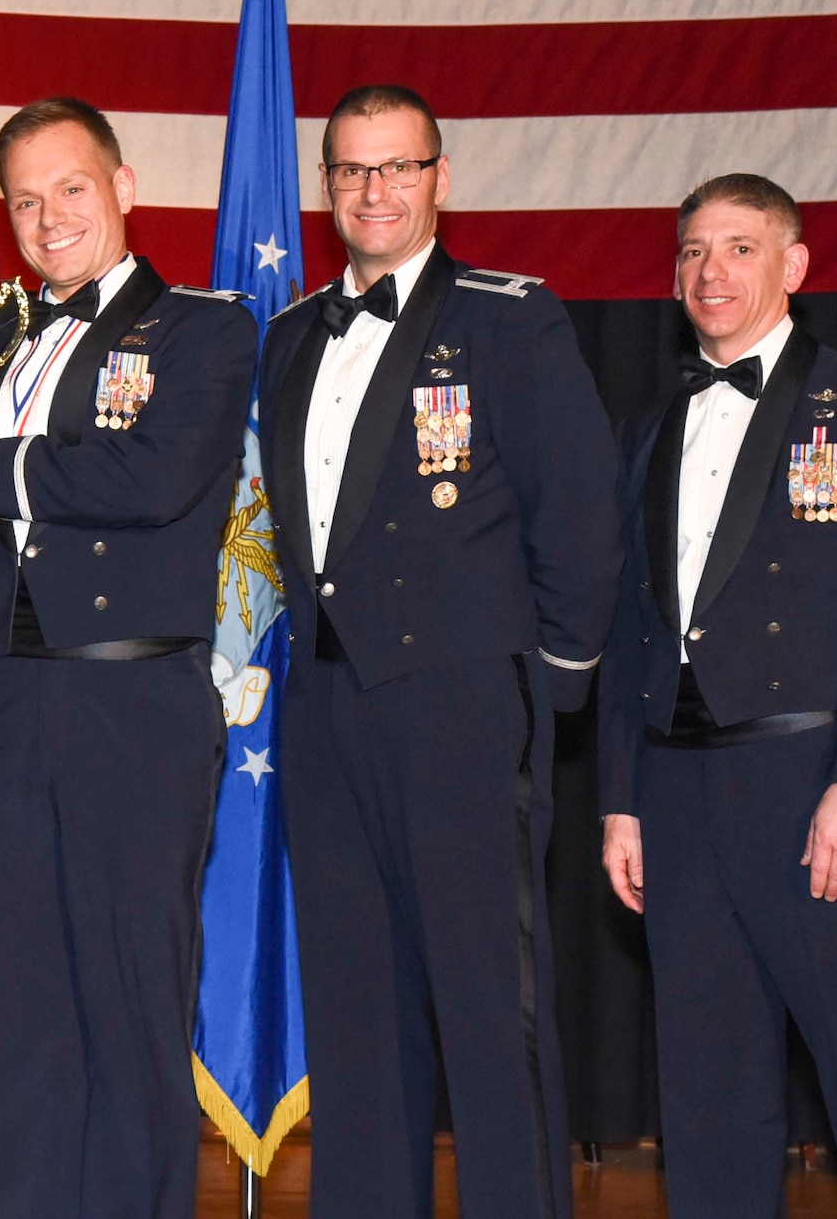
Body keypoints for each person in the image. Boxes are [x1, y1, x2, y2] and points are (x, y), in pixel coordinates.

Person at [256, 84, 619, 1218]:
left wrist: (547, 687)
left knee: (483, 1004)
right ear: (325, 190)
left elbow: (581, 507)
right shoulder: (285, 335)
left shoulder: (507, 318)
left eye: (395, 168)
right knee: (356, 1013)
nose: (373, 192)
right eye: (351, 172)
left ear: (438, 179)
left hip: (461, 702)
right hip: (323, 705)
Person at [0, 97, 257, 1218]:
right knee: (24, 1014)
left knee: (129, 1011)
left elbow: (149, 481)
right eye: (22, 198)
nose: (47, 216)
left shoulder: (205, 327)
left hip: (133, 701)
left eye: (70, 188)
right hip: (6, 697)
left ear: (124, 187)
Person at [597, 174, 837, 1217]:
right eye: (693, 252)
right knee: (707, 1100)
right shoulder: (650, 422)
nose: (712, 272)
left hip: (812, 788)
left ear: (792, 264)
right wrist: (621, 795)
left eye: (740, 248)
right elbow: (629, 623)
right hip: (675, 792)